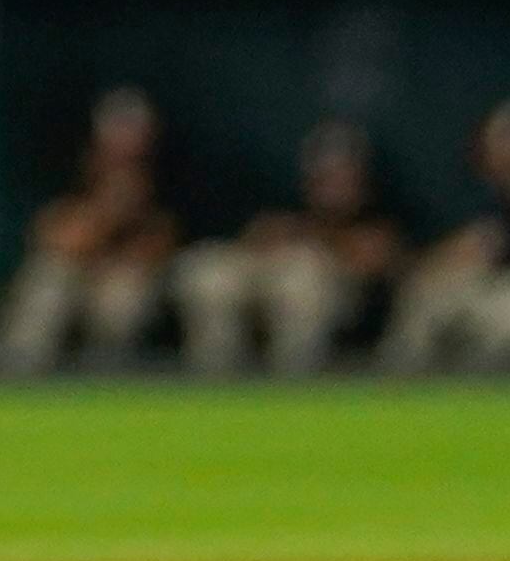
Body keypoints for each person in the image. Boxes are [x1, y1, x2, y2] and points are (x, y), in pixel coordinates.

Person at [168, 116, 408, 375]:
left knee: (303, 279)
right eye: (325, 177)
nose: (334, 186)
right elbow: (253, 239)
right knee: (209, 275)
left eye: (343, 175)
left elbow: (376, 260)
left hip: (325, 312)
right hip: (262, 285)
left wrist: (317, 239)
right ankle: (211, 383)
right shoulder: (280, 202)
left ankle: (292, 387)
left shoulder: (381, 219)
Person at [0, 86, 181, 373]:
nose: (126, 143)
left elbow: (166, 244)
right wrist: (107, 213)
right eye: (117, 131)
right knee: (48, 281)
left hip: (135, 273)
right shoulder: (67, 166)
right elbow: (52, 239)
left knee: (121, 298)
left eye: (134, 132)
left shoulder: (168, 171)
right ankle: (12, 381)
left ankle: (110, 385)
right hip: (78, 267)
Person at [378, 96, 510, 371]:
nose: (508, 159)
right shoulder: (472, 194)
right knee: (428, 294)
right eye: (499, 147)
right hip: (482, 288)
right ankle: (396, 386)